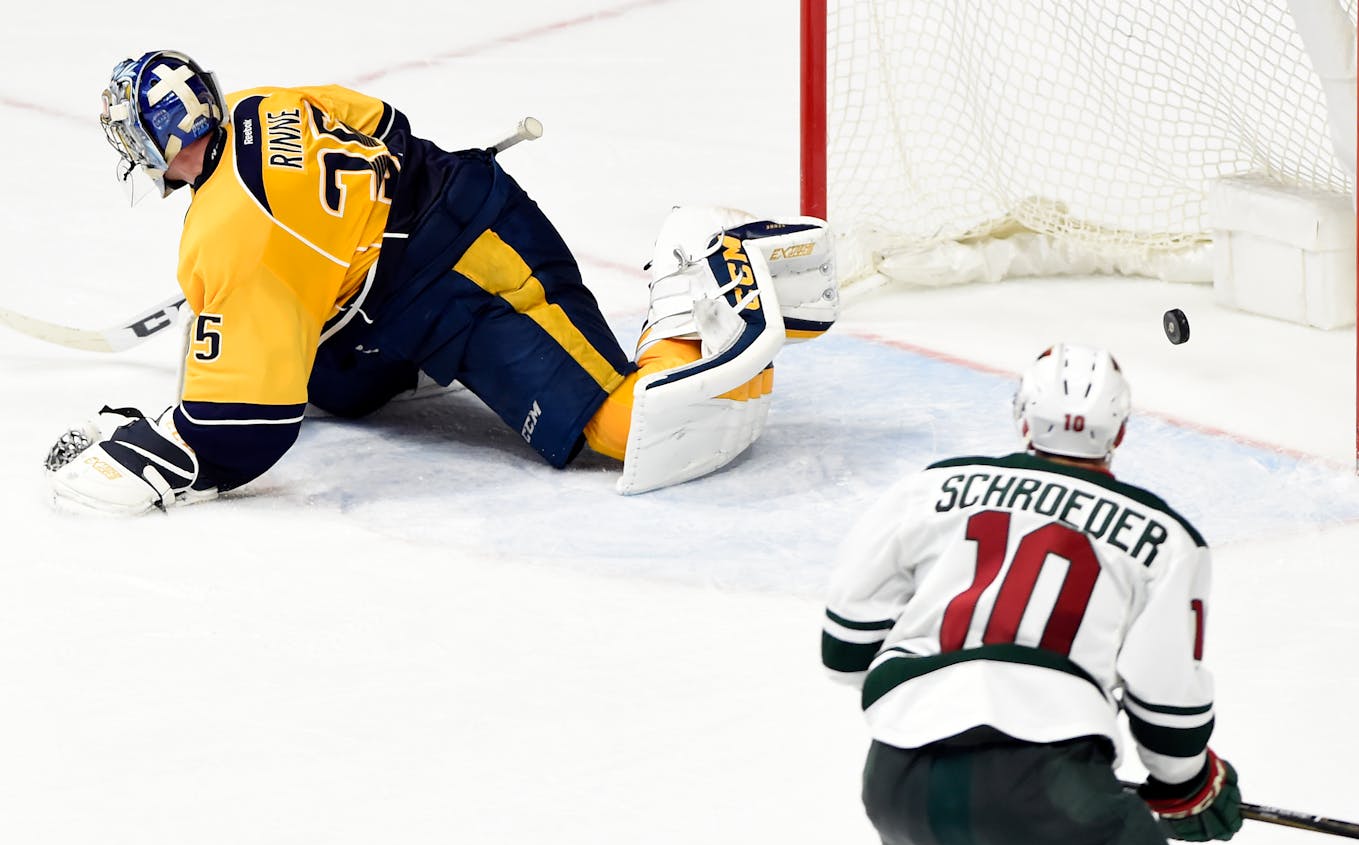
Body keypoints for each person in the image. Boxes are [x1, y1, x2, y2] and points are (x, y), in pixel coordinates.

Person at [44, 50, 838, 514]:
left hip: (472, 258)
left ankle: (702, 259)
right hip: (404, 255)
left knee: (625, 431)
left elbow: (244, 433)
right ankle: (419, 348)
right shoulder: (265, 102)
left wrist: (171, 456)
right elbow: (388, 125)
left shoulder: (223, 238)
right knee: (333, 379)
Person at [821, 344, 1241, 845]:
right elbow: (1165, 697)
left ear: (1022, 417)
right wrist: (1189, 782)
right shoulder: (1166, 538)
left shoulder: (928, 491)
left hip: (901, 783)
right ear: (1118, 433)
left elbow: (845, 653)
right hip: (1048, 786)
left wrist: (944, 702)